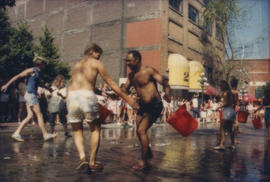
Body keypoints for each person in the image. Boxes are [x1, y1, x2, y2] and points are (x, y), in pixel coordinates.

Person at [66, 43, 138, 173]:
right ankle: (92, 162)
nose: (99, 57)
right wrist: (128, 99)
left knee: (77, 130)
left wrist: (101, 93)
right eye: (98, 54)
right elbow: (110, 82)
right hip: (87, 96)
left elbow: (78, 83)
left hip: (72, 97)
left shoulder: (77, 65)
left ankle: (82, 159)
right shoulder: (96, 63)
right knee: (95, 128)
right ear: (93, 51)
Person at [122, 50, 171, 170]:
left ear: (137, 60)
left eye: (129, 60)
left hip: (154, 105)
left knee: (141, 131)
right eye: (126, 61)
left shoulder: (149, 71)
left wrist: (168, 94)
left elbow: (165, 82)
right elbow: (125, 88)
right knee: (138, 131)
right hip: (142, 106)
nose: (127, 63)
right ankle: (148, 152)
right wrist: (120, 90)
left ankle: (143, 161)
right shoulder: (131, 75)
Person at [1, 57, 56, 142]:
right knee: (39, 115)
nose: (45, 66)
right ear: (40, 63)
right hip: (31, 95)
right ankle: (45, 134)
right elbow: (18, 76)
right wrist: (6, 85)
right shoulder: (32, 70)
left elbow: (39, 83)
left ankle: (16, 133)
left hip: (30, 95)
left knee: (30, 116)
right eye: (44, 64)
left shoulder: (38, 73)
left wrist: (48, 89)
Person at [214, 80, 236, 150]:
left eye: (220, 85)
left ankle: (222, 144)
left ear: (223, 86)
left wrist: (219, 106)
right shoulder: (230, 93)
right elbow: (233, 102)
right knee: (229, 129)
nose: (219, 87)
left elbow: (226, 103)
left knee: (222, 128)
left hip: (227, 111)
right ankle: (232, 144)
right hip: (232, 111)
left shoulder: (226, 93)